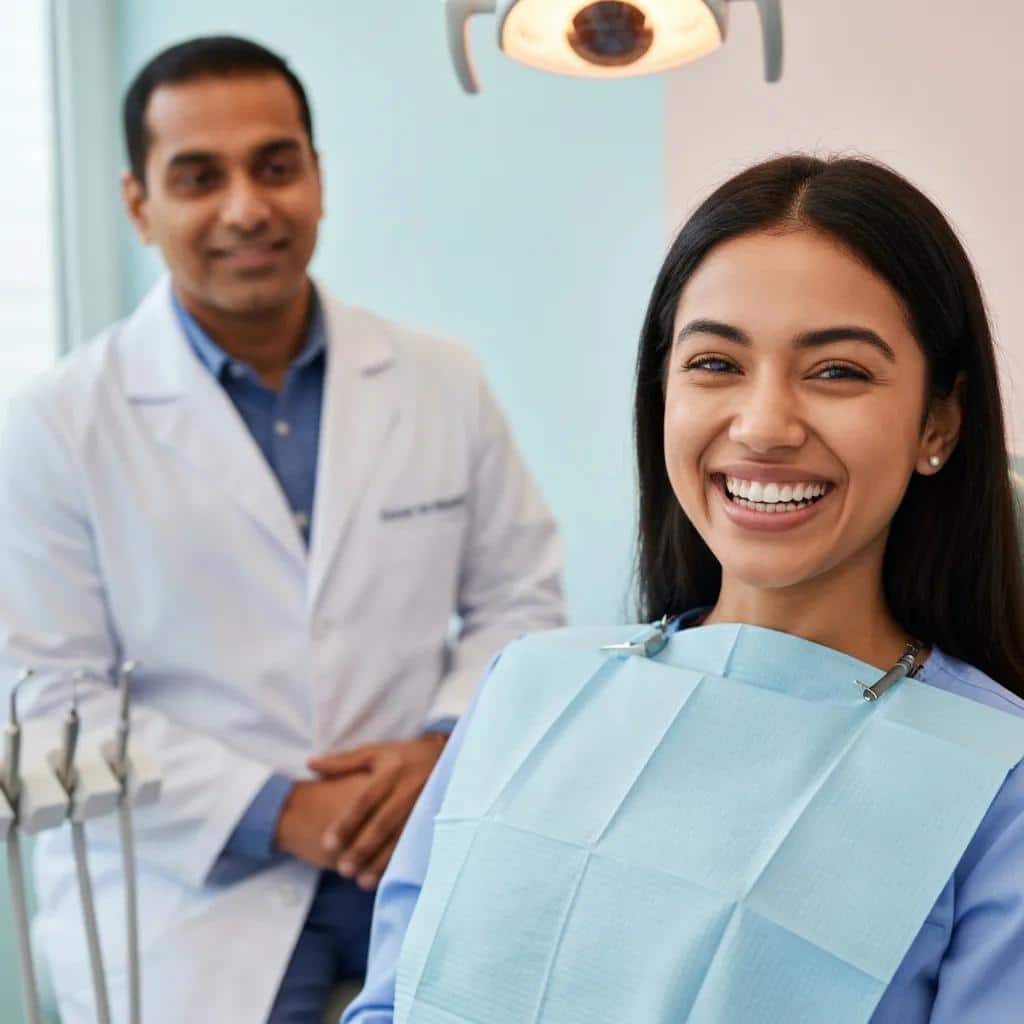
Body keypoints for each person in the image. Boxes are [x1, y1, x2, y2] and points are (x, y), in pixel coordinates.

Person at [343, 155, 1024, 1024]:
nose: (765, 425)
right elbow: (391, 1005)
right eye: (715, 364)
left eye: (838, 371)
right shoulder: (526, 689)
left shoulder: (998, 783)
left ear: (939, 421)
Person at [0, 36, 563, 1024]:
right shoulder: (53, 424)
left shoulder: (440, 379)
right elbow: (54, 699)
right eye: (197, 176)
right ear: (140, 205)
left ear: (318, 177)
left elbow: (519, 597)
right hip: (190, 881)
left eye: (275, 165)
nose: (247, 208)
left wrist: (439, 748)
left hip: (417, 832)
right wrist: (283, 809)